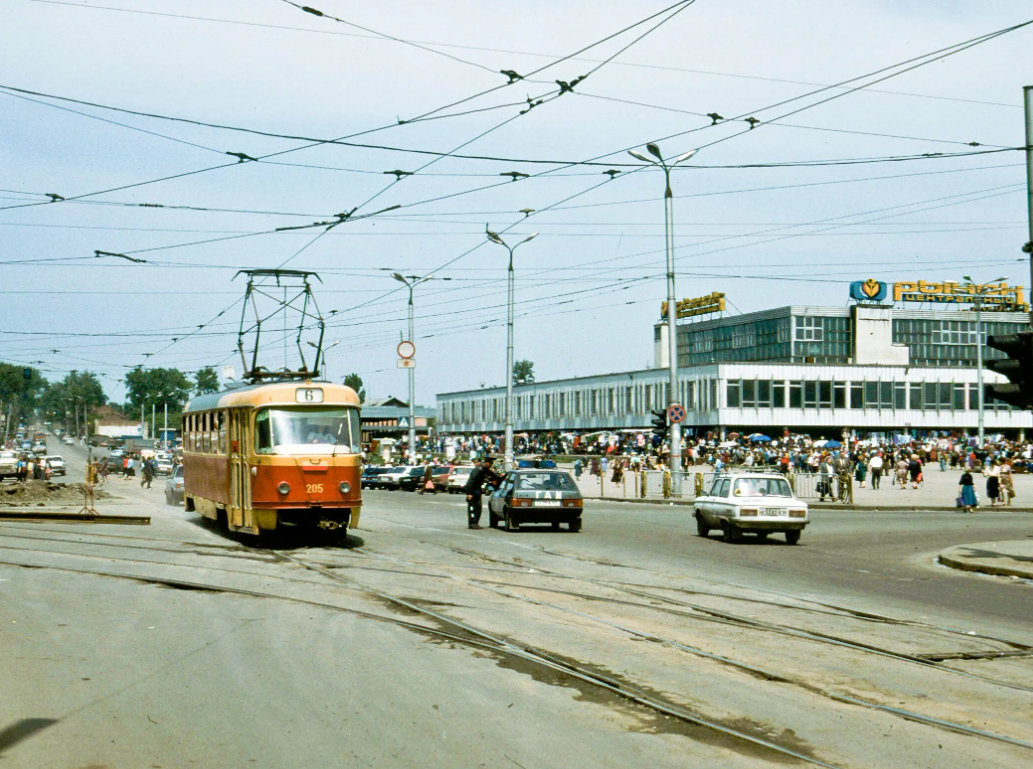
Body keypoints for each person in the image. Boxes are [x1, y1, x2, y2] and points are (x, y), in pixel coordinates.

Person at [463, 456, 503, 529]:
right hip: (473, 491)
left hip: (477, 490)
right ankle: (472, 523)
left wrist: (501, 476)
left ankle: (475, 522)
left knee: (478, 508)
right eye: (490, 463)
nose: (491, 465)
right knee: (473, 508)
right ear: (486, 462)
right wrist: (469, 493)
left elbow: (493, 475)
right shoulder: (478, 469)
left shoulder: (484, 469)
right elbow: (471, 481)